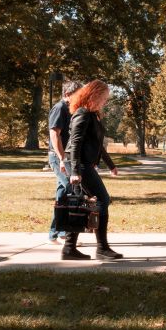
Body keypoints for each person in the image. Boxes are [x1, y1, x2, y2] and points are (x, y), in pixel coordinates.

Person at [63, 79, 121, 260]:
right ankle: (102, 248)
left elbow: (98, 145)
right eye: (104, 97)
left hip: (84, 164)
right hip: (79, 165)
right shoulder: (83, 113)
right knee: (102, 199)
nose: (105, 101)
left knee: (81, 204)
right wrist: (74, 171)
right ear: (94, 95)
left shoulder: (93, 114)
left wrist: (110, 165)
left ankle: (69, 249)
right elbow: (75, 143)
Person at [47, 79, 81, 244]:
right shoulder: (60, 108)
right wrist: (61, 158)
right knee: (69, 188)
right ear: (67, 94)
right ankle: (61, 232)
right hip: (57, 156)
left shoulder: (70, 109)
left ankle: (55, 233)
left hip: (64, 156)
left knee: (63, 191)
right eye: (77, 95)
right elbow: (55, 135)